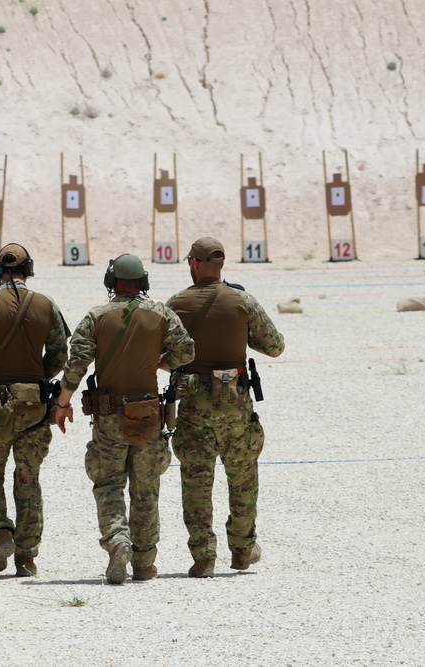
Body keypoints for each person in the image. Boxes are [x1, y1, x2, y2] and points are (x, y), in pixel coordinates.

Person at [55, 254, 194, 584]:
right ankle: (144, 563)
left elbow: (77, 365)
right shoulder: (161, 312)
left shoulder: (96, 316)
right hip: (148, 413)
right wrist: (158, 364)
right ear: (143, 282)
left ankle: (118, 541)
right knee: (146, 487)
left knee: (108, 483)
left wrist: (63, 404)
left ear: (111, 281)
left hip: (108, 415)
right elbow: (186, 352)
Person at [165, 237, 285, 577]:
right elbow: (274, 346)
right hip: (234, 403)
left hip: (192, 403)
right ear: (221, 264)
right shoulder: (241, 300)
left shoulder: (176, 302)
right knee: (243, 476)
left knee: (196, 479)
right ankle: (243, 549)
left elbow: (163, 355)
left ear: (196, 263)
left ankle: (204, 556)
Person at [0, 243, 69, 577]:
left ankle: (1, 530)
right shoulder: (46, 304)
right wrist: (38, 377)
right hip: (35, 402)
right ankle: (27, 557)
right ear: (29, 269)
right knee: (28, 478)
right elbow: (59, 354)